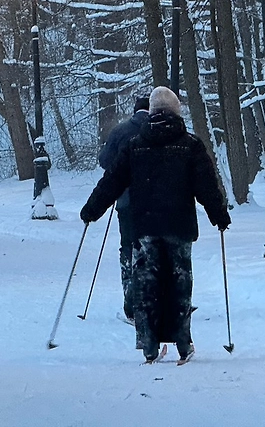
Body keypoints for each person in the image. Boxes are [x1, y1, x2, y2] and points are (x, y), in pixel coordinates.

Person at [80, 85, 230, 364]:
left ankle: (149, 344)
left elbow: (111, 181)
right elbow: (206, 186)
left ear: (150, 112)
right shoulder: (190, 145)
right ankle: (183, 343)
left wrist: (92, 210)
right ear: (176, 111)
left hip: (144, 226)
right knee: (179, 283)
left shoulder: (134, 146)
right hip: (179, 226)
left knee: (146, 284)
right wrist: (219, 216)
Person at [98, 94, 151, 323]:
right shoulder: (162, 130)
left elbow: (104, 160)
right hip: (156, 202)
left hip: (127, 199)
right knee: (155, 247)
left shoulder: (121, 131)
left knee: (128, 247)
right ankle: (159, 300)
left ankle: (130, 303)